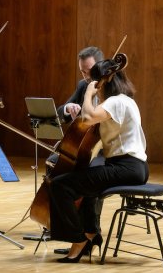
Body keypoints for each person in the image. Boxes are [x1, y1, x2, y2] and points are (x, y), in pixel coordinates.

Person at [48, 57, 149, 263]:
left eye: (95, 81)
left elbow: (88, 117)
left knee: (60, 186)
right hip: (132, 166)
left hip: (126, 167)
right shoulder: (125, 101)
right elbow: (91, 130)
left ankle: (79, 240)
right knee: (85, 187)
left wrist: (88, 94)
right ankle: (91, 234)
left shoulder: (116, 101)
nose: (93, 85)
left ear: (105, 80)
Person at [48, 46, 105, 254]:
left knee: (90, 175)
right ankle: (65, 230)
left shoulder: (112, 88)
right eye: (82, 71)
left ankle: (89, 234)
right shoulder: (84, 85)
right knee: (53, 162)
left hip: (105, 150)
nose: (86, 76)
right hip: (83, 146)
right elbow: (61, 111)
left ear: (100, 66)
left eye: (89, 70)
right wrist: (68, 110)